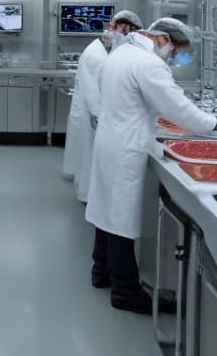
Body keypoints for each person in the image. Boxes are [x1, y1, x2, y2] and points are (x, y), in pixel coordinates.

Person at [85, 17, 217, 314]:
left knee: (106, 211)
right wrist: (213, 124)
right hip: (126, 145)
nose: (172, 58)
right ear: (161, 39)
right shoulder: (148, 63)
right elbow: (177, 107)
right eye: (174, 51)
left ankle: (100, 271)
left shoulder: (121, 53)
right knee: (120, 218)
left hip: (110, 140)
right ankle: (125, 291)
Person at [62, 10, 144, 203]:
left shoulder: (102, 49)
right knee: (90, 156)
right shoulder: (96, 55)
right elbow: (93, 92)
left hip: (90, 112)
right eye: (129, 34)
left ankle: (87, 191)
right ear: (122, 29)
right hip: (92, 113)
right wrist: (101, 117)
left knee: (86, 155)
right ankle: (87, 196)